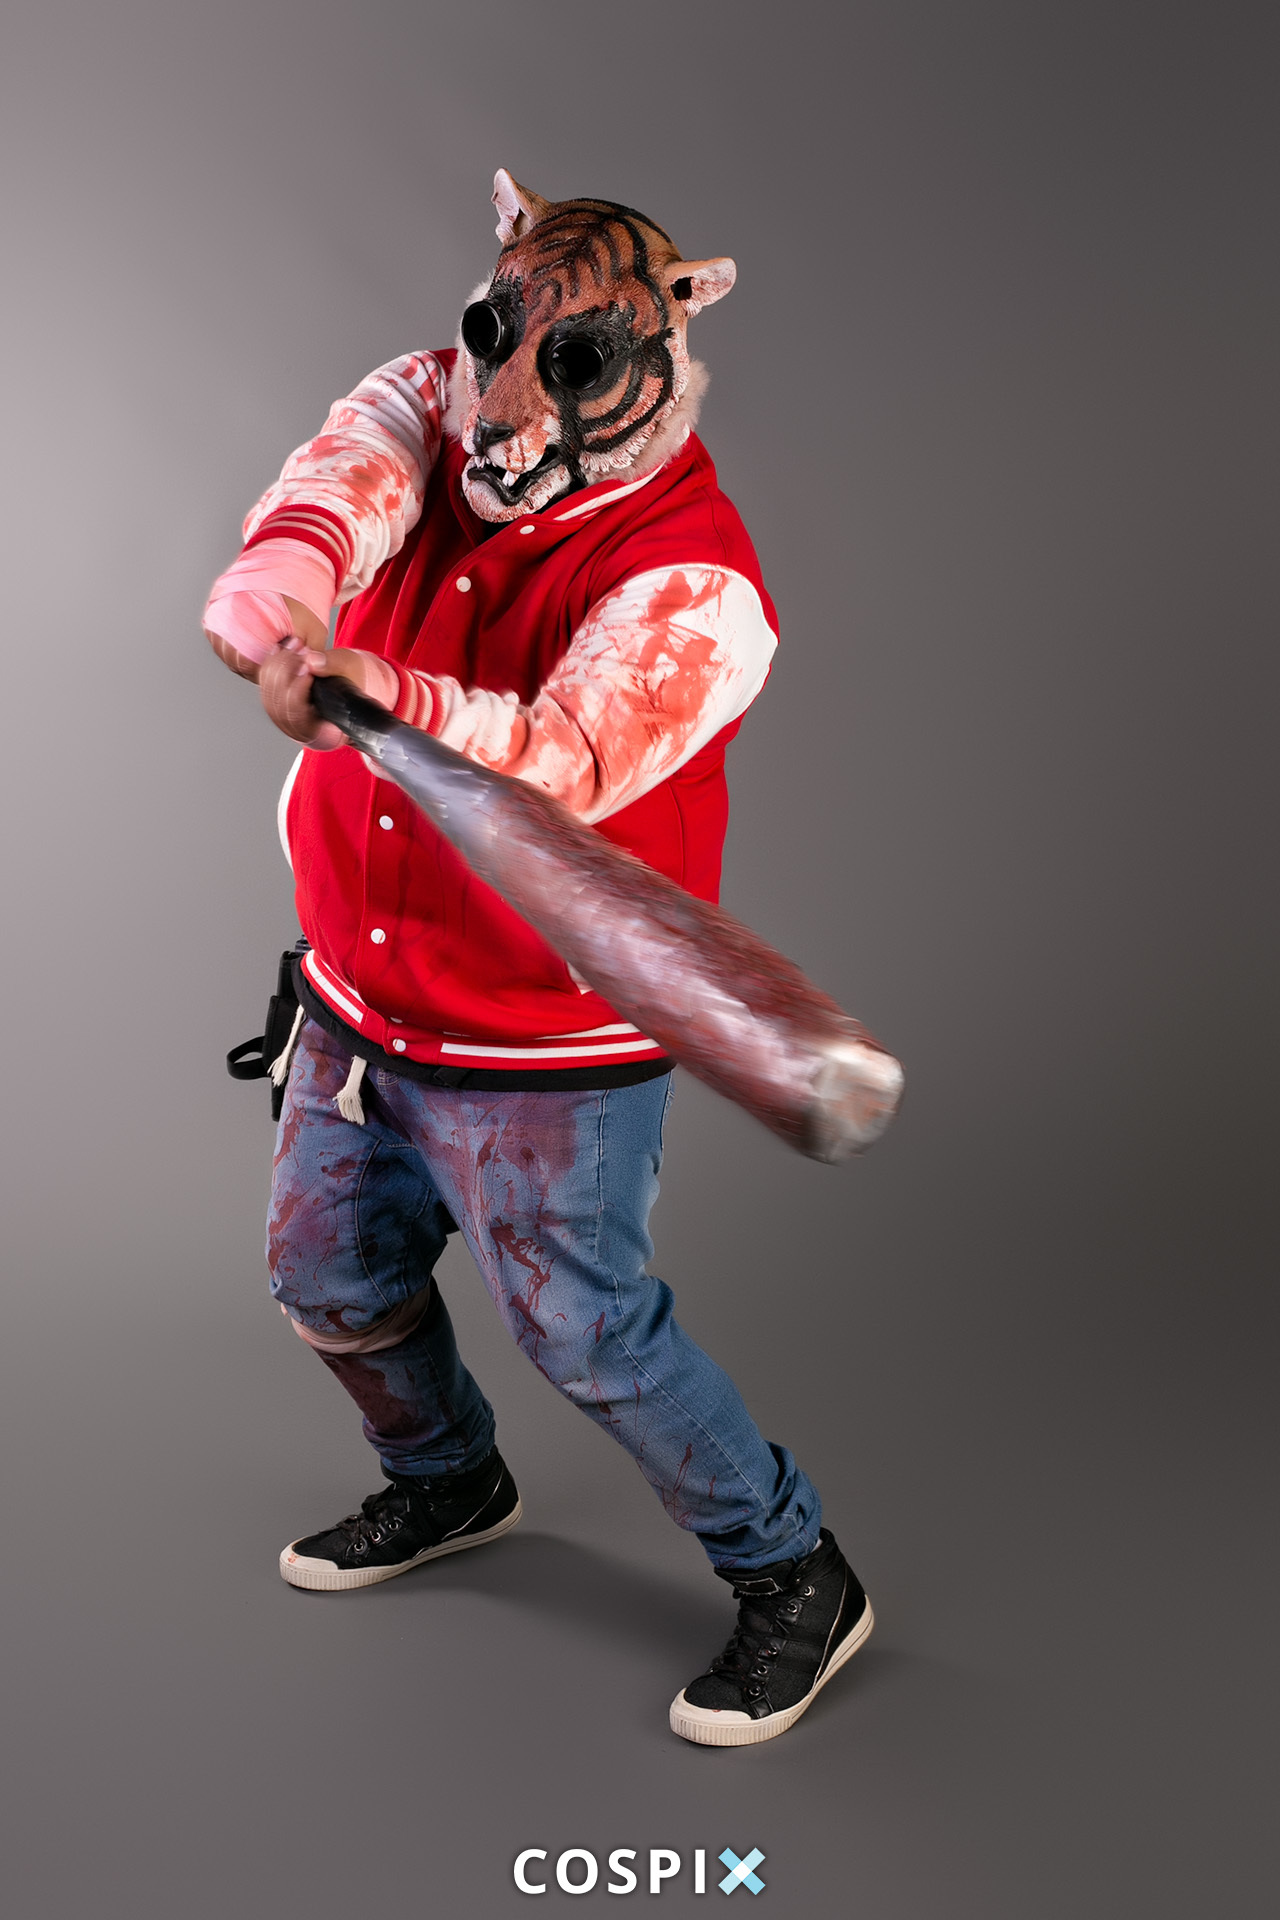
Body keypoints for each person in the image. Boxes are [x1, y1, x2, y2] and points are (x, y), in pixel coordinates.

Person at [203, 170, 873, 1747]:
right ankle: (448, 1478)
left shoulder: (702, 586)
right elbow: (337, 490)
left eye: (571, 362)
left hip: (545, 1050)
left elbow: (560, 761)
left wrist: (381, 693)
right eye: (498, 334)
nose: (503, 396)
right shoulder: (432, 397)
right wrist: (280, 612)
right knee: (326, 1277)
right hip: (358, 1003)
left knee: (587, 1332)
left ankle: (796, 1573)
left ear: (666, 340)